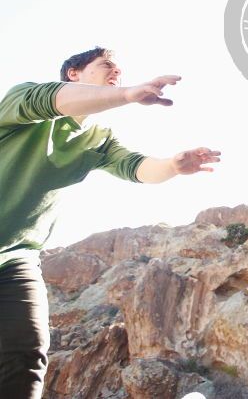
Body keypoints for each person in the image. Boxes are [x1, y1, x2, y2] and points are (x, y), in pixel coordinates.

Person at [0, 47, 221, 398]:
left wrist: (173, 165)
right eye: (107, 66)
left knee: (24, 356)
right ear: (74, 73)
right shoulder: (23, 100)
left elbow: (135, 167)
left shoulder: (98, 140)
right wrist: (128, 94)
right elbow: (52, 99)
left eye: (119, 70)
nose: (116, 72)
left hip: (16, 261)